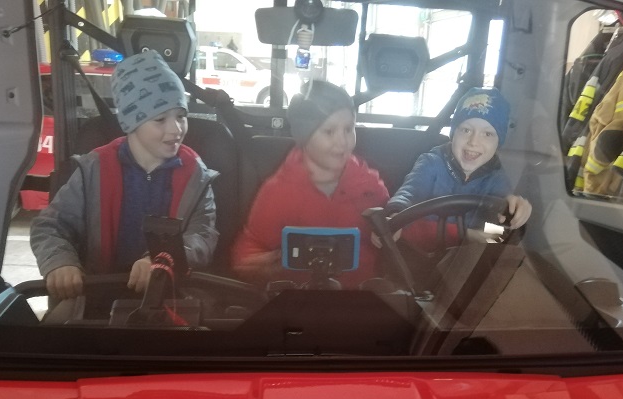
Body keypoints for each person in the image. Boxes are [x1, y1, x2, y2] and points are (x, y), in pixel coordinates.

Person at [31, 50, 218, 300]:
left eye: (181, 116)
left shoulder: (197, 175)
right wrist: (60, 262)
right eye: (160, 119)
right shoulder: (93, 169)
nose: (176, 129)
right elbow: (50, 225)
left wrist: (162, 258)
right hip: (98, 291)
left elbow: (202, 235)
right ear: (132, 122)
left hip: (169, 294)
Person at [231, 80, 389, 288]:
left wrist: (393, 230)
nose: (343, 142)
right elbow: (245, 256)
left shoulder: (369, 184)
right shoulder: (277, 192)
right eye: (329, 131)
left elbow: (397, 230)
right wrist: (274, 262)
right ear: (304, 136)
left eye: (349, 129)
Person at [386, 87, 531, 242]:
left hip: (468, 252)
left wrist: (515, 209)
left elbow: (500, 217)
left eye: (487, 134)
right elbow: (409, 193)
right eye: (466, 130)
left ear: (498, 143)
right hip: (423, 246)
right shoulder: (431, 163)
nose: (474, 142)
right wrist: (395, 214)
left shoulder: (496, 176)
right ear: (453, 134)